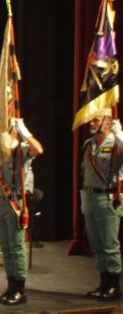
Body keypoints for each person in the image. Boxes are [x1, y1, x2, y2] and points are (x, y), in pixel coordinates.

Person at [0, 117, 42, 306]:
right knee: (7, 248)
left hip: (16, 203)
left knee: (17, 248)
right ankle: (10, 286)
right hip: (0, 203)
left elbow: (38, 150)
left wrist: (25, 131)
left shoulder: (21, 150)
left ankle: (20, 289)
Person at [82, 112, 123, 301]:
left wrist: (120, 134)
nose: (92, 122)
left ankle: (114, 285)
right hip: (90, 197)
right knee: (97, 244)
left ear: (107, 124)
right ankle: (103, 282)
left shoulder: (116, 143)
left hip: (107, 198)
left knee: (109, 245)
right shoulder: (89, 144)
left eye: (96, 120)